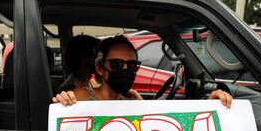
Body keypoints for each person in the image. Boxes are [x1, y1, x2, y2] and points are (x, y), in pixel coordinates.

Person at [53, 35, 232, 107]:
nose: (125, 70)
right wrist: (63, 104)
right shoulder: (81, 96)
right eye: (116, 64)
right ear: (100, 68)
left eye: (131, 66)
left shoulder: (130, 101)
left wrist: (212, 104)